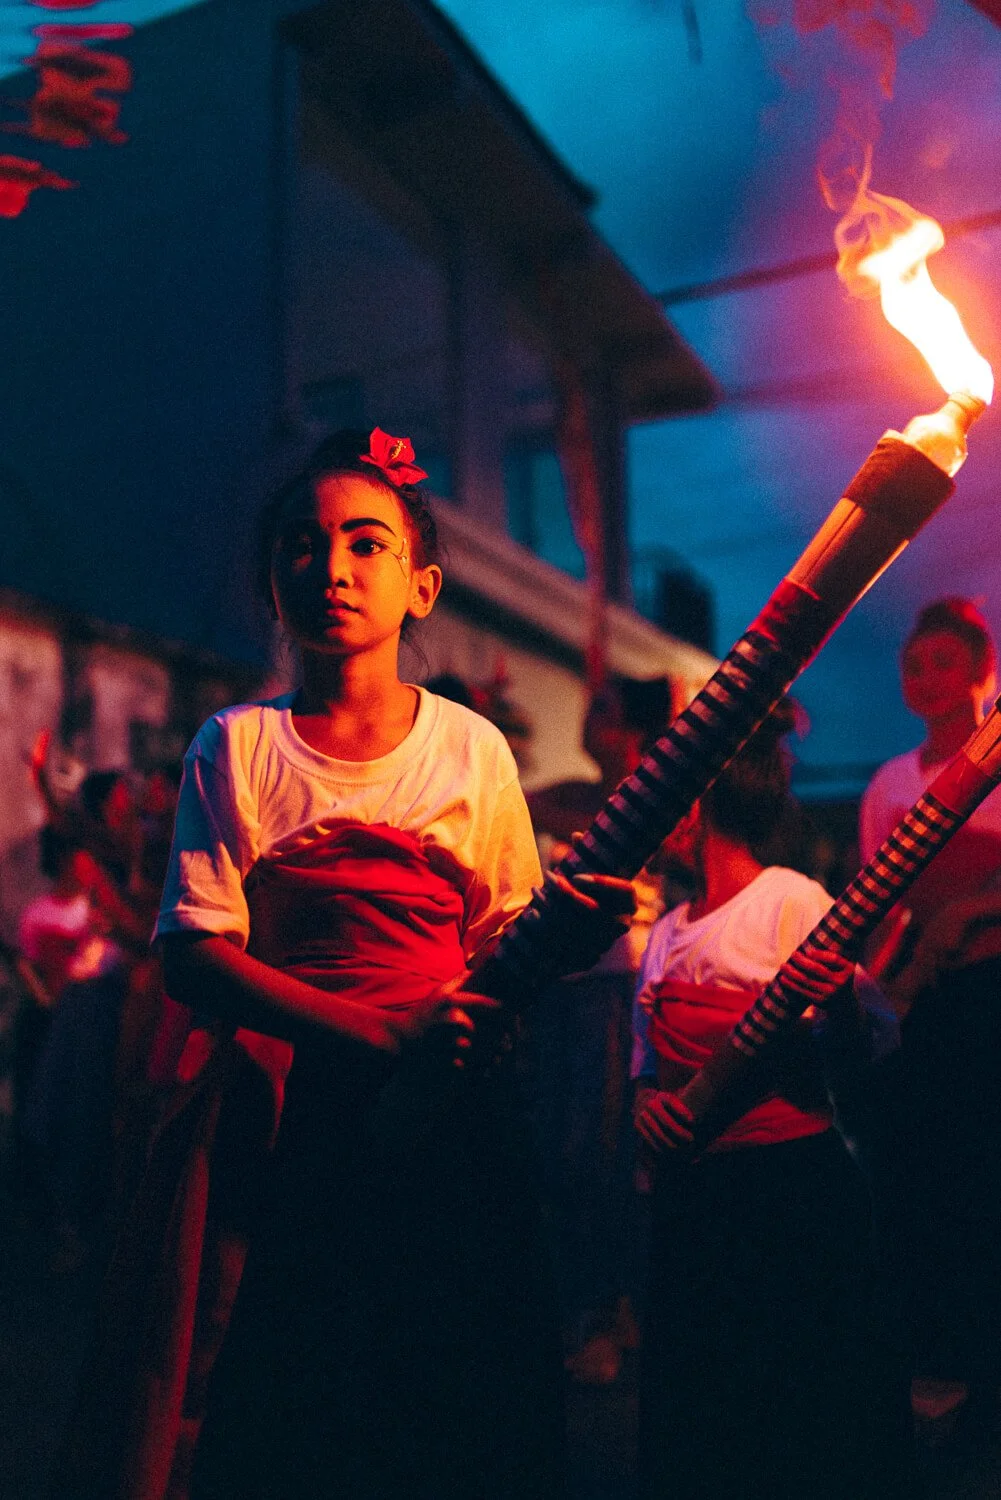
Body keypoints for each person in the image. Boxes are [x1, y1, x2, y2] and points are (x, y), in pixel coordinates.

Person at [123, 426, 634, 1500]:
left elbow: (501, 940)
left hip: (457, 1110)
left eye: (366, 544)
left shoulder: (471, 750)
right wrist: (373, 1033)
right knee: (313, 1402)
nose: (333, 569)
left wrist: (562, 942)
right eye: (303, 547)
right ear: (273, 583)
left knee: (462, 1398)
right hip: (299, 1115)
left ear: (420, 584)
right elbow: (193, 951)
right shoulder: (240, 746)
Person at [632, 704, 912, 1500]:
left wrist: (844, 1007)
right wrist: (648, 1104)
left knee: (794, 1411)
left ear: (693, 806)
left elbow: (865, 1049)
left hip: (787, 1197)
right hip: (697, 1204)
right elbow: (644, 1067)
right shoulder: (664, 933)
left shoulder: (789, 901)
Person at [860, 597, 1001, 1444]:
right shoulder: (887, 785)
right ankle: (944, 1359)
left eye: (943, 661)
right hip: (925, 1002)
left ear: (980, 673)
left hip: (991, 992)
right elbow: (879, 904)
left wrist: (973, 912)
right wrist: (881, 987)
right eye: (914, 663)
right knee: (927, 1179)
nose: (925, 676)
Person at [527, 674, 672, 1383]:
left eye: (605, 713)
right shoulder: (573, 793)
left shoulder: (653, 800)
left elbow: (605, 834)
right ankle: (599, 1308)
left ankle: (605, 1313)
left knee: (604, 1149)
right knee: (566, 1146)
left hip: (616, 990)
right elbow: (534, 806)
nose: (591, 723)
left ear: (636, 731)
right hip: (559, 986)